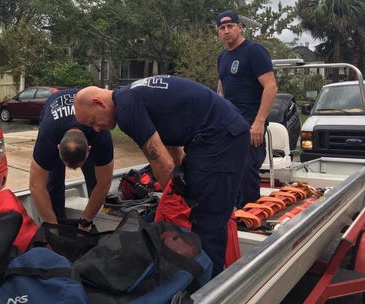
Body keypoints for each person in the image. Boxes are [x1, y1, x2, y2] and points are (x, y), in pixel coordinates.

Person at [74, 76, 250, 277]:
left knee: (206, 219)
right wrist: (183, 181)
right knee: (200, 208)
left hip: (219, 137)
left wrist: (174, 202)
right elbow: (171, 147)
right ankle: (202, 276)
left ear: (98, 103)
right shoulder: (132, 95)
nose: (97, 129)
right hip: (219, 133)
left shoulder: (126, 110)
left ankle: (209, 289)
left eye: (94, 121)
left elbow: (161, 162)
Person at [216, 11, 278, 208]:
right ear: (218, 31)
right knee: (226, 170)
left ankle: (251, 218)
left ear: (239, 27)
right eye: (222, 28)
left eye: (230, 26)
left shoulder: (254, 51)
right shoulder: (223, 57)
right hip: (229, 124)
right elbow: (222, 88)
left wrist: (259, 122)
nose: (226, 31)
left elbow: (271, 86)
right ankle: (233, 215)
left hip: (251, 124)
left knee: (246, 170)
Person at [29, 88, 114, 231]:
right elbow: (36, 186)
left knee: (95, 178)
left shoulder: (101, 134)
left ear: (89, 149)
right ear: (57, 147)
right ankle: (59, 222)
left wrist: (86, 220)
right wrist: (53, 228)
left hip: (86, 133)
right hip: (55, 113)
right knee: (54, 182)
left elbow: (104, 183)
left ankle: (92, 218)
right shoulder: (48, 135)